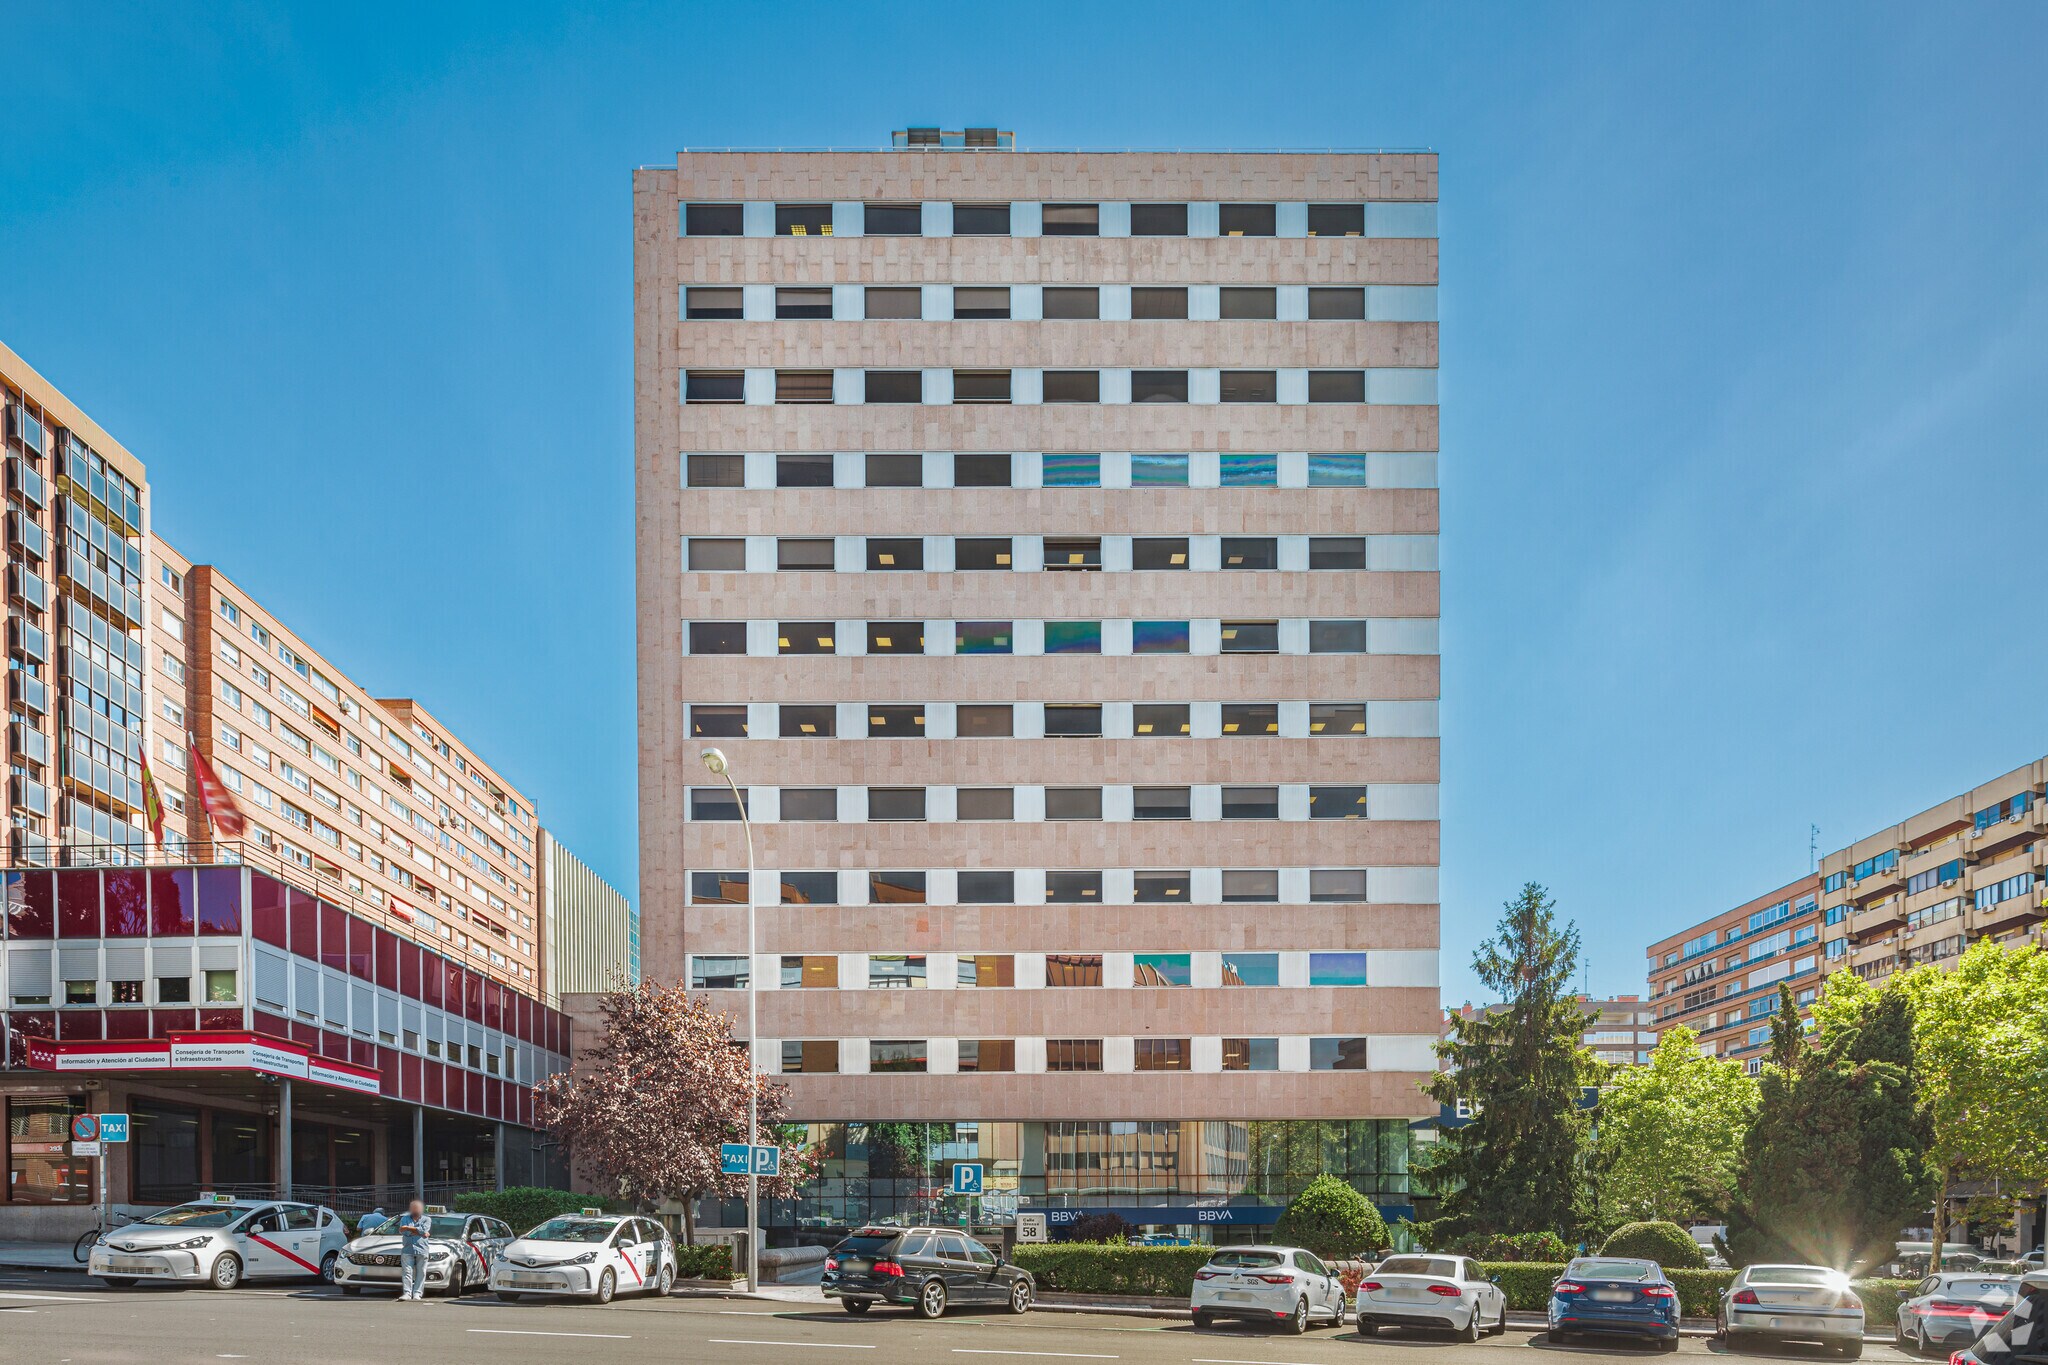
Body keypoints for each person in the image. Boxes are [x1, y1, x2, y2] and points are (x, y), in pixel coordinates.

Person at [395, 1200, 432, 1301]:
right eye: (413, 1207)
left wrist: (408, 1228)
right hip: (407, 1248)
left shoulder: (427, 1219)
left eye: (417, 1207)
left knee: (421, 1272)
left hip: (422, 1249)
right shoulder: (404, 1218)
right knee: (407, 1272)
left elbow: (423, 1230)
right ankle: (407, 1293)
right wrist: (419, 1232)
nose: (415, 1209)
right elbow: (403, 1232)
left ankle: (417, 1293)